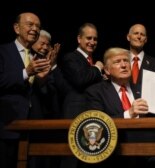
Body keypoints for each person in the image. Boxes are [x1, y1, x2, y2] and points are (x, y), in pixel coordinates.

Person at [0, 12, 51, 168]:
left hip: (33, 128)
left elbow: (42, 92)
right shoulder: (2, 51)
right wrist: (26, 73)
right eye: (30, 25)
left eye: (38, 26)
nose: (35, 29)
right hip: (7, 126)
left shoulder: (39, 58)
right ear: (16, 28)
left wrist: (42, 80)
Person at [61, 23, 104, 119]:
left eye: (95, 39)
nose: (92, 42)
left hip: (93, 111)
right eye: (89, 38)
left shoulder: (93, 60)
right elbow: (81, 79)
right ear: (79, 39)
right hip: (76, 113)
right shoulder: (70, 57)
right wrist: (97, 68)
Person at [127, 24, 155, 95]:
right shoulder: (121, 61)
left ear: (146, 39)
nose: (139, 37)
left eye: (142, 34)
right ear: (128, 37)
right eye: (136, 33)